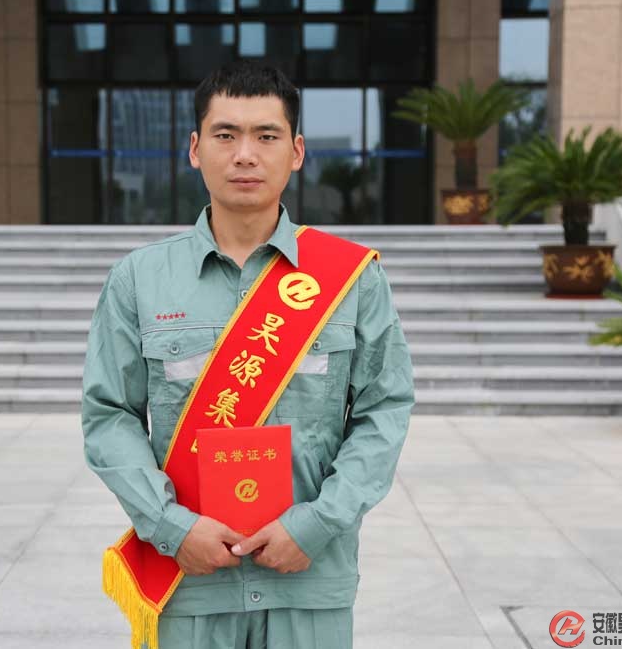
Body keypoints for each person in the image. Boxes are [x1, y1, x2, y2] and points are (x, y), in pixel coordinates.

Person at [81, 60, 415, 649]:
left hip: (308, 577)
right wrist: (171, 526)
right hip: (190, 580)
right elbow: (110, 416)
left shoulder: (351, 278)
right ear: (195, 149)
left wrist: (317, 523)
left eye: (266, 136)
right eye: (225, 134)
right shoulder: (139, 279)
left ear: (297, 152)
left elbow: (383, 411)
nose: (244, 155)